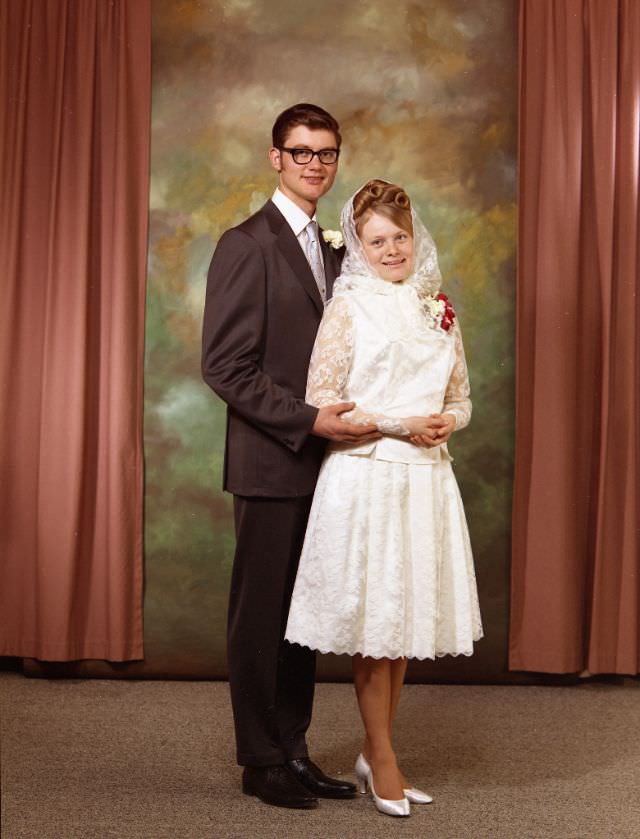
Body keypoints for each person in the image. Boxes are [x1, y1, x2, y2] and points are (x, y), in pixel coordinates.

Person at [285, 179, 483, 817]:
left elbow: (461, 399)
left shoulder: (437, 305)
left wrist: (447, 422)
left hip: (425, 476)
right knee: (376, 627)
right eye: (377, 240)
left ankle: (378, 749)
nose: (392, 249)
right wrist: (399, 424)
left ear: (414, 237)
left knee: (402, 627)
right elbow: (323, 401)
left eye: (400, 237)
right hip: (368, 475)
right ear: (359, 248)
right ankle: (384, 758)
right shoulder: (348, 311)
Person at [201, 104, 379, 810]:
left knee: (304, 616)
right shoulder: (245, 244)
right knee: (260, 614)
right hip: (272, 460)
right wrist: (308, 421)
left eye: (326, 153)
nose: (314, 163)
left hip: (327, 466)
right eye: (301, 151)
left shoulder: (339, 249)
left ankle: (294, 747)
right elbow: (226, 366)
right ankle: (259, 758)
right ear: (276, 157)